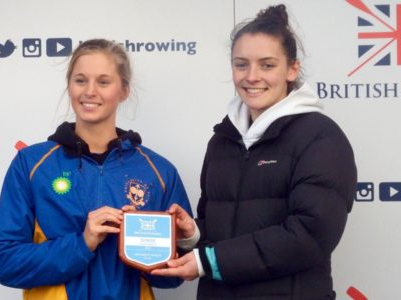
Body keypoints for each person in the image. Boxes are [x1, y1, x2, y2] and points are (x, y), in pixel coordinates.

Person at [152, 4, 357, 299]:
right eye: (241, 64)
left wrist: (209, 261)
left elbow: (311, 234)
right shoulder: (222, 140)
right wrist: (194, 235)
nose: (252, 76)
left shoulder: (321, 137)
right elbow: (224, 229)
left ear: (292, 69)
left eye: (267, 64)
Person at [0, 39, 193, 300]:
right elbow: (5, 262)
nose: (90, 91)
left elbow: (173, 277)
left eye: (104, 82)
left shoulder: (158, 172)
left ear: (124, 91)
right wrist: (82, 243)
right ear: (69, 85)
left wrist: (155, 247)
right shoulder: (31, 164)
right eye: (81, 80)